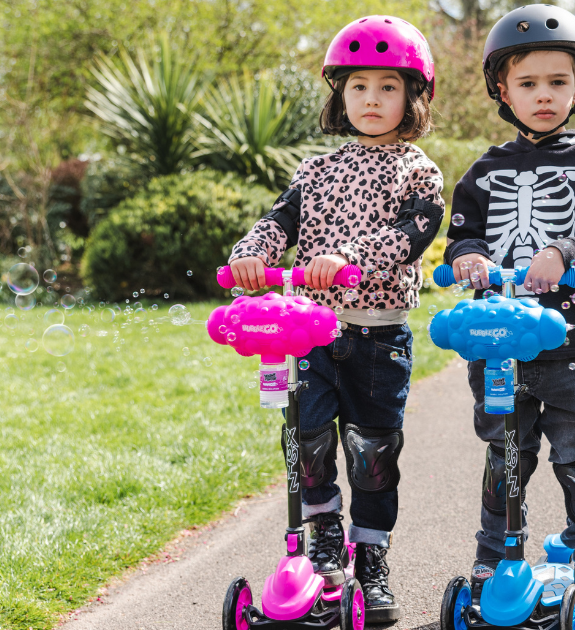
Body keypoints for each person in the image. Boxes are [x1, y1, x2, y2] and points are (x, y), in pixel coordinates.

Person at [227, 15, 444, 624]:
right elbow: (278, 222)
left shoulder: (418, 169)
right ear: (339, 96)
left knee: (373, 451)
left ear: (412, 97)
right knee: (309, 440)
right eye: (357, 87)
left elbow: (411, 234)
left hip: (378, 334)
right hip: (311, 334)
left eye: (386, 87)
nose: (371, 100)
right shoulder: (315, 172)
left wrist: (349, 256)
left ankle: (371, 559)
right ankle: (323, 539)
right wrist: (252, 254)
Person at [442, 5, 575, 629]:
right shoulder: (483, 171)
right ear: (503, 90)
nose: (543, 95)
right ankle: (495, 561)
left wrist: (565, 250)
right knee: (504, 456)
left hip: (572, 345)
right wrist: (467, 259)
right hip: (498, 343)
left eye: (557, 81)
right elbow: (461, 237)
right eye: (528, 83)